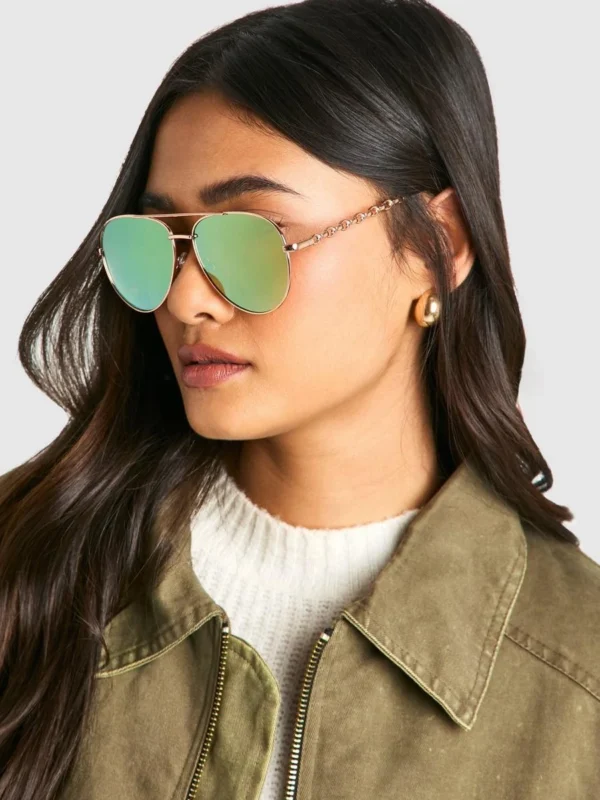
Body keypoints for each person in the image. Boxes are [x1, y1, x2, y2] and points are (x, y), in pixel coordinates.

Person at [1, 0, 598, 798]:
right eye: (161, 241)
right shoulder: (24, 571)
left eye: (255, 238)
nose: (185, 299)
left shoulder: (579, 677)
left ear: (439, 247)